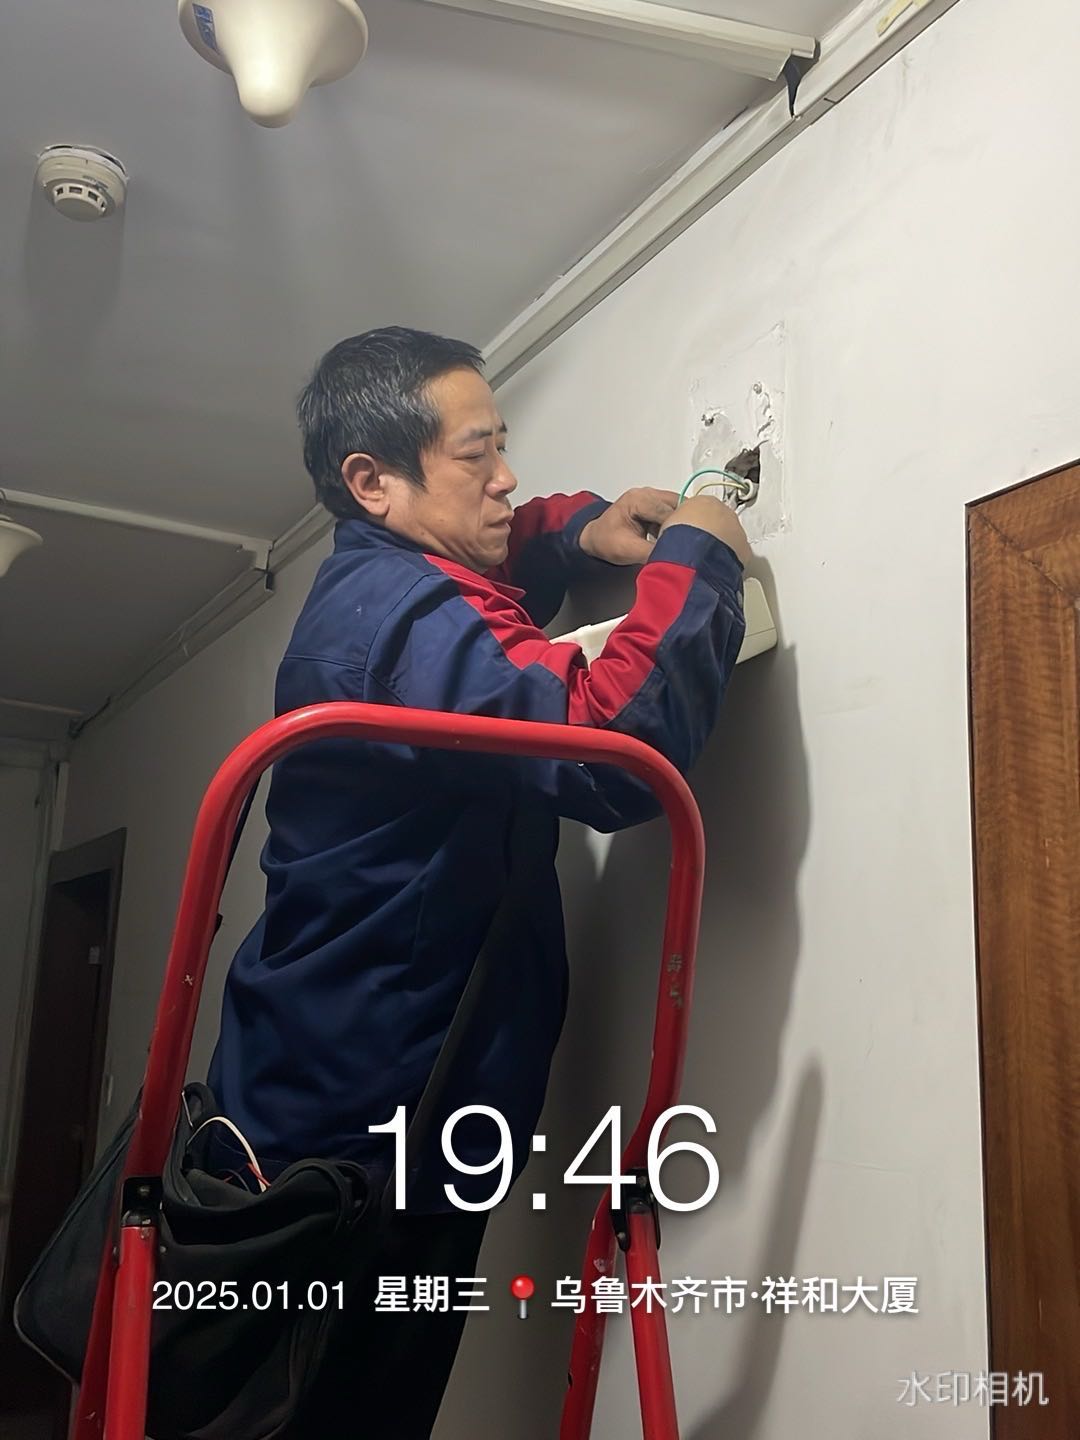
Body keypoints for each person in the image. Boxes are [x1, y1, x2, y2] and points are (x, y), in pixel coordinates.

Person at [204, 326, 751, 1436]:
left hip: (362, 1089)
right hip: (363, 1129)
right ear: (373, 482)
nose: (505, 477)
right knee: (334, 1403)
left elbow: (480, 604)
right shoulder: (393, 623)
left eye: (501, 445)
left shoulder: (388, 586)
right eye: (475, 454)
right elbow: (611, 746)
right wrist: (702, 553)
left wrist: (577, 530)